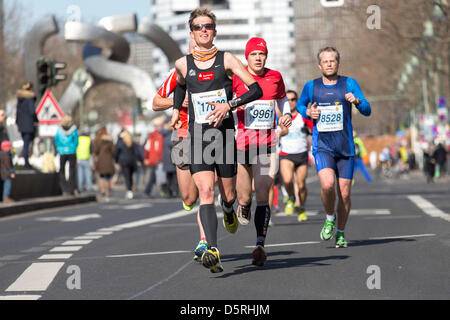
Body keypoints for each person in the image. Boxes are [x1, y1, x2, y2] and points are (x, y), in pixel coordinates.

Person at [170, 8, 263, 273]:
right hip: (198, 136)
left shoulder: (228, 60)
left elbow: (256, 89)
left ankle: (230, 209)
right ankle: (212, 248)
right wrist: (177, 109)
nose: (203, 30)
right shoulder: (182, 63)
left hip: (223, 136)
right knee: (205, 192)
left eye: (208, 26)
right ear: (191, 32)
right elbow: (179, 85)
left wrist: (229, 106)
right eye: (198, 27)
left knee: (228, 194)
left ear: (214, 31)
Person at [297, 46, 371, 248]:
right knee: (328, 185)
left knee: (345, 194)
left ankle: (340, 231)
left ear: (338, 63)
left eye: (333, 60)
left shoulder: (349, 83)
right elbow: (300, 106)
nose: (329, 64)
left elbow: (367, 109)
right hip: (323, 146)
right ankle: (330, 217)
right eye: (325, 61)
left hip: (345, 148)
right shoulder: (311, 87)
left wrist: (356, 101)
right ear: (319, 65)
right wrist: (307, 113)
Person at [233, 37, 292, 266]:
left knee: (264, 189)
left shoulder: (275, 77)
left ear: (266, 56)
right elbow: (225, 102)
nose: (258, 58)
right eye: (253, 55)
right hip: (242, 144)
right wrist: (237, 104)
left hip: (266, 144)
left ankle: (260, 244)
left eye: (261, 54)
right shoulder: (238, 77)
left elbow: (282, 99)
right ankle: (243, 207)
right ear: (247, 57)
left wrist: (284, 114)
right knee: (244, 196)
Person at [152, 40, 208, 260]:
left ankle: (204, 241)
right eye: (193, 48)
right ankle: (190, 201)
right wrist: (178, 102)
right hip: (182, 135)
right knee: (188, 196)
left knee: (206, 190)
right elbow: (155, 103)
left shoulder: (218, 70)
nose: (197, 52)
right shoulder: (177, 73)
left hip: (208, 135)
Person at [278, 89, 313, 222]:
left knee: (302, 184)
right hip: (286, 153)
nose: (290, 102)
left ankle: (302, 207)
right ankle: (291, 197)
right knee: (287, 181)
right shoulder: (279, 117)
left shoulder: (302, 116)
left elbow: (314, 129)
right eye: (287, 100)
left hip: (301, 153)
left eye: (293, 99)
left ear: (297, 101)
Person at [114, 129, 143, 199]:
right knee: (130, 176)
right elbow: (137, 153)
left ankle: (129, 191)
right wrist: (141, 160)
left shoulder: (120, 143)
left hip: (124, 162)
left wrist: (116, 161)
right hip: (132, 162)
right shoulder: (132, 143)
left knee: (127, 177)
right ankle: (130, 190)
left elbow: (116, 153)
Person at [54, 115, 79, 195]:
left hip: (62, 152)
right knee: (72, 171)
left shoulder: (59, 130)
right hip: (72, 151)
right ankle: (71, 188)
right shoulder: (74, 130)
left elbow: (56, 140)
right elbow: (76, 140)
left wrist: (59, 148)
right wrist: (73, 148)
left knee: (62, 171)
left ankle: (64, 188)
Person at [15, 82, 38, 168]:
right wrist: (36, 120)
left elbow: (17, 113)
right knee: (26, 144)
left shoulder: (20, 99)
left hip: (22, 125)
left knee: (25, 143)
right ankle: (26, 163)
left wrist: (17, 123)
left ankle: (26, 161)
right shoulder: (29, 99)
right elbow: (32, 112)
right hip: (28, 125)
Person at [93, 127, 115, 201]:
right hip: (108, 160)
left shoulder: (97, 139)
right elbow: (113, 151)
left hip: (100, 160)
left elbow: (95, 151)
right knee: (108, 178)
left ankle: (103, 190)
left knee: (102, 176)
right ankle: (107, 192)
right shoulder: (110, 140)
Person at [143, 117, 164, 198]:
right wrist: (146, 158)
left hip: (159, 158)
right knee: (154, 176)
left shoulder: (160, 135)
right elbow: (147, 148)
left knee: (160, 176)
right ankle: (147, 191)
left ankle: (162, 191)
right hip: (155, 159)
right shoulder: (153, 136)